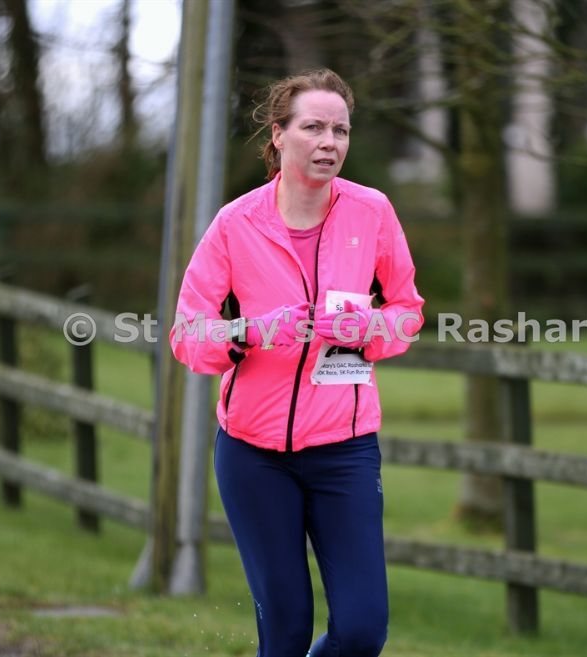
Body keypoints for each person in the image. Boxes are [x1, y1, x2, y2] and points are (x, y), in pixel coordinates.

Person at [169, 68, 424, 657]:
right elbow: (188, 334)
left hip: (345, 451)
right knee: (284, 631)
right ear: (279, 134)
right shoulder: (236, 223)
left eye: (341, 130)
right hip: (254, 455)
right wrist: (249, 332)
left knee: (361, 631)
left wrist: (370, 327)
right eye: (313, 127)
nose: (329, 142)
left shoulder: (372, 212)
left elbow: (407, 311)